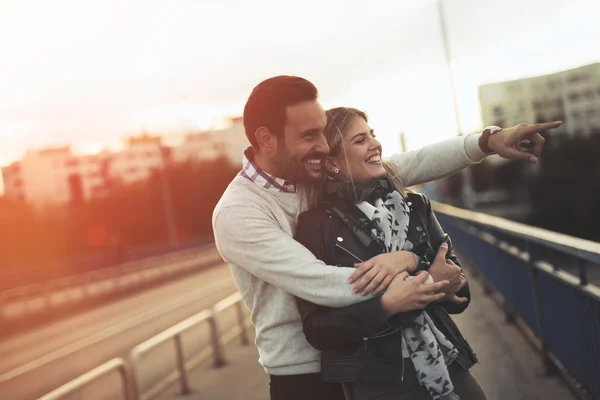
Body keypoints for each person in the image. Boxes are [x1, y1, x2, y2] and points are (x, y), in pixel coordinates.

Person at [211, 75, 561, 400]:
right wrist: (417, 272)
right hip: (305, 377)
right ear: (265, 139)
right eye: (309, 136)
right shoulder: (238, 212)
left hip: (358, 359)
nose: (322, 145)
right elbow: (320, 282)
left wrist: (489, 141)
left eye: (322, 132)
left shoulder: (310, 170)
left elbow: (409, 164)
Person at [294, 107, 489, 400]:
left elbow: (460, 293)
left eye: (372, 135)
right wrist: (385, 306)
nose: (375, 144)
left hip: (448, 363)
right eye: (360, 140)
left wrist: (419, 266)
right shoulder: (315, 226)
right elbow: (318, 329)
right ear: (332, 162)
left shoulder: (416, 206)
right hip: (379, 381)